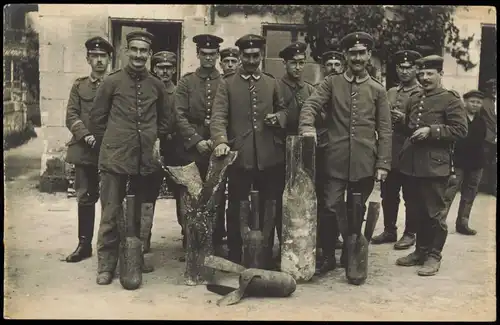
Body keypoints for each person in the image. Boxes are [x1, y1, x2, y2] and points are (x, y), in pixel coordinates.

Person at [298, 31, 392, 274]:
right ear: (346, 56)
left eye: (362, 53)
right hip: (335, 160)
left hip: (364, 161)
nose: (357, 57)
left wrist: (382, 164)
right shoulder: (332, 83)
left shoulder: (377, 90)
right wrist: (307, 128)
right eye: (353, 53)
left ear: (369, 55)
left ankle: (351, 254)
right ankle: (328, 255)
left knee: (356, 209)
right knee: (330, 206)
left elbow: (385, 129)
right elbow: (311, 104)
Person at [89, 30, 174, 285]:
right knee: (111, 211)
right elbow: (96, 120)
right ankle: (106, 265)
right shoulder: (111, 82)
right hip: (115, 158)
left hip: (144, 159)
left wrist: (150, 137)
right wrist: (116, 141)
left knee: (138, 213)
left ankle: (134, 258)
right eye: (133, 49)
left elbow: (167, 120)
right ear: (126, 51)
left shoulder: (156, 85)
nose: (138, 55)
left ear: (149, 54)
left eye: (143, 51)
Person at [210, 34, 288, 266]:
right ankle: (236, 253)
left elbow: (284, 110)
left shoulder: (271, 82)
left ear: (261, 56)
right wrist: (221, 141)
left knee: (270, 205)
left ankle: (264, 253)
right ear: (240, 56)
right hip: (239, 157)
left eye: (256, 56)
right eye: (247, 56)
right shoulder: (227, 83)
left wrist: (280, 118)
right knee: (236, 206)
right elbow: (218, 117)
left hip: (270, 156)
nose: (252, 60)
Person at [395, 55, 467, 276]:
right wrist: (402, 123)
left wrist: (432, 130)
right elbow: (412, 129)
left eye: (430, 74)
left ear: (440, 75)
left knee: (434, 213)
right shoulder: (416, 98)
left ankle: (434, 256)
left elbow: (460, 130)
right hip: (412, 166)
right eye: (422, 74)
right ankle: (420, 251)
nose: (425, 78)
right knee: (415, 210)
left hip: (435, 167)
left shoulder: (451, 99)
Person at [175, 34, 227, 256]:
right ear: (197, 55)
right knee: (191, 194)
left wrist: (216, 142)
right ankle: (191, 237)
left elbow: (227, 116)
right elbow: (179, 115)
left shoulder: (225, 82)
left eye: (212, 54)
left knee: (217, 193)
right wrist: (196, 141)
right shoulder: (186, 82)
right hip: (191, 148)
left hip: (217, 150)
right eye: (204, 54)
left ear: (217, 56)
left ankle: (214, 238)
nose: (208, 58)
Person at [64, 36, 114, 263]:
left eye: (103, 56)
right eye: (94, 56)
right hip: (85, 150)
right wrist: (87, 136)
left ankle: (112, 247)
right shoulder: (79, 86)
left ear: (109, 59)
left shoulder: (115, 83)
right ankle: (84, 245)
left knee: (112, 199)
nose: (99, 61)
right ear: (87, 59)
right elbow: (71, 116)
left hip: (111, 151)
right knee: (85, 197)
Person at [372, 50, 422, 250]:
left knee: (411, 195)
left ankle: (410, 233)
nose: (404, 71)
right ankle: (389, 229)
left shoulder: (421, 92)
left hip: (411, 151)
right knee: (388, 193)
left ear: (416, 69)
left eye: (409, 67)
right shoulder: (391, 92)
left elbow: (425, 123)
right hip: (391, 151)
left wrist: (405, 120)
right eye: (401, 67)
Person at [135, 50, 178, 254]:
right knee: (147, 194)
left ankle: (187, 238)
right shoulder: (147, 90)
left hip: (175, 149)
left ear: (174, 70)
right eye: (161, 67)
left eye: (169, 68)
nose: (165, 72)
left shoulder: (179, 92)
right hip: (152, 148)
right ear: (154, 68)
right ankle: (144, 238)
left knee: (181, 193)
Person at [442, 90, 487, 235]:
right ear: (465, 102)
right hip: (458, 162)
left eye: (478, 103)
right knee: (449, 193)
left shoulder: (482, 121)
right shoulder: (458, 119)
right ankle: (439, 223)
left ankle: (463, 223)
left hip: (476, 163)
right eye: (472, 101)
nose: (475, 105)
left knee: (470, 194)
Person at [317, 49, 346, 257]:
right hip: (319, 151)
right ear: (323, 68)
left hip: (340, 150)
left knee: (337, 199)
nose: (334, 68)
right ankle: (322, 239)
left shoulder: (345, 91)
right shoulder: (316, 90)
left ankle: (337, 238)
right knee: (322, 196)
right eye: (330, 65)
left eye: (337, 64)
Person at [480, 78, 497, 196]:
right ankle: (480, 186)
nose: (494, 90)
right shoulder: (484, 102)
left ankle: (493, 188)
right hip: (487, 138)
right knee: (484, 161)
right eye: (493, 88)